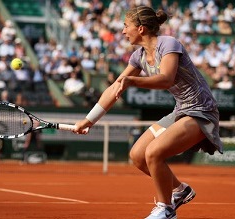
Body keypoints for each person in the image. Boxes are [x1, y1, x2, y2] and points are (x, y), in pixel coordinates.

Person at [73, 6, 223, 219]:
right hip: (181, 110)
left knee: (153, 152)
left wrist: (133, 81)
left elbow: (167, 79)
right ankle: (180, 190)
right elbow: (113, 89)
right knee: (137, 155)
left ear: (141, 28)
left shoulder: (169, 44)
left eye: (126, 26)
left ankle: (167, 209)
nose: (123, 31)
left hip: (201, 110)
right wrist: (89, 120)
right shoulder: (138, 56)